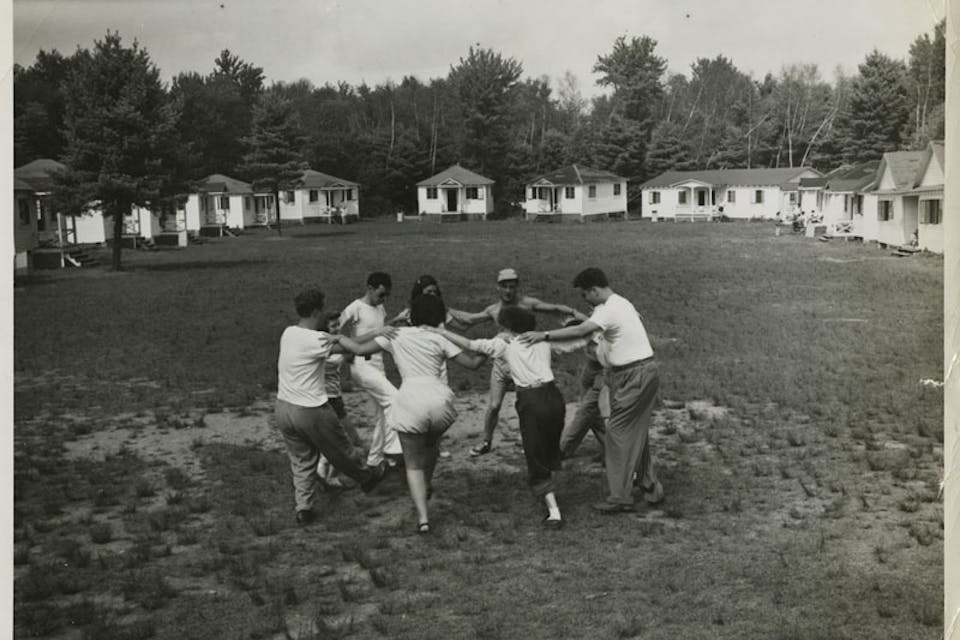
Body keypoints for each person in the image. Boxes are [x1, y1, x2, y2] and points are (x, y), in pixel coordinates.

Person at [333, 294, 486, 534]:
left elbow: (358, 349)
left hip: (410, 404)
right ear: (437, 317)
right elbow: (473, 363)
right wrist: (493, 347)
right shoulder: (439, 337)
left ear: (412, 315)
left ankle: (423, 519)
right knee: (432, 445)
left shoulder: (396, 335)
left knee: (413, 464)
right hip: (440, 404)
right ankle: (426, 486)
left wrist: (343, 337)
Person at [518, 267, 663, 514]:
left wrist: (543, 335)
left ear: (594, 290)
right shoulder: (622, 303)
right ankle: (651, 486)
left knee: (617, 434)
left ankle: (620, 497)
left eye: (585, 294)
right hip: (641, 372)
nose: (584, 300)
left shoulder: (609, 309)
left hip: (634, 375)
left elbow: (581, 330)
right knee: (635, 433)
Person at [433, 306, 587, 528]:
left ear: (508, 326)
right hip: (554, 399)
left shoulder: (504, 344)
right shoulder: (543, 341)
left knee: (535, 456)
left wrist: (441, 332)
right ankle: (549, 481)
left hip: (532, 402)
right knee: (547, 450)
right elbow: (576, 339)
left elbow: (469, 344)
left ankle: (554, 511)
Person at [274, 288, 386, 526]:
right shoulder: (317, 339)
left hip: (283, 408)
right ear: (316, 311)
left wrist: (337, 338)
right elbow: (355, 348)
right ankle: (367, 477)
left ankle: (303, 508)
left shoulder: (288, 333)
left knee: (301, 460)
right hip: (311, 410)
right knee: (341, 449)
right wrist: (383, 335)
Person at [450, 268, 588, 457]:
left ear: (517, 287)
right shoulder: (493, 309)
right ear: (498, 287)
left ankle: (531, 442)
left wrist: (578, 315)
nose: (508, 291)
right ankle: (485, 441)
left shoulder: (528, 303)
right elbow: (468, 321)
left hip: (524, 363)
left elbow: (555, 308)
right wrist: (442, 311)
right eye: (504, 287)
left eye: (512, 287)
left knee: (530, 405)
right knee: (494, 406)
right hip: (502, 363)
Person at [340, 272, 402, 469]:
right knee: (394, 398)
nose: (383, 299)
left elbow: (381, 331)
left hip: (378, 366)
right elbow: (338, 335)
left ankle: (374, 460)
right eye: (380, 294)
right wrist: (375, 333)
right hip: (361, 365)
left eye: (386, 296)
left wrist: (397, 320)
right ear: (370, 288)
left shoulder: (380, 308)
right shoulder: (355, 308)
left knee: (382, 414)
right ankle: (393, 452)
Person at [316, 310, 362, 490]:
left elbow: (352, 354)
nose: (337, 328)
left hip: (335, 397)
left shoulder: (336, 342)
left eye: (338, 325)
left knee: (341, 440)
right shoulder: (322, 345)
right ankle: (325, 469)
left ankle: (328, 473)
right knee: (349, 438)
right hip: (327, 399)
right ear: (325, 328)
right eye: (333, 325)